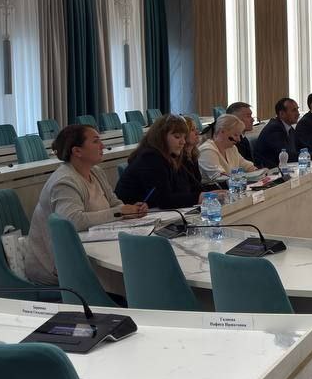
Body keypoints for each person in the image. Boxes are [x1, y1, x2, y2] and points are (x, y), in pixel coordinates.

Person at [27, 125, 147, 286]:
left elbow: (114, 203)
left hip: (90, 247)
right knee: (137, 277)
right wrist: (119, 212)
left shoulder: (96, 171)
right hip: (57, 267)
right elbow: (73, 220)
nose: (102, 146)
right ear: (77, 151)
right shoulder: (64, 181)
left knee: (136, 270)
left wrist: (131, 210)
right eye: (96, 141)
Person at [115, 115, 203, 209]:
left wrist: (207, 193)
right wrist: (199, 197)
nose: (183, 142)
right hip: (131, 214)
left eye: (184, 137)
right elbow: (165, 200)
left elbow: (186, 188)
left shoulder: (172, 156)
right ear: (162, 137)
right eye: (177, 137)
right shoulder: (150, 158)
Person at [198, 114, 258, 183]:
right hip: (216, 188)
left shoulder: (231, 148)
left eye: (239, 135)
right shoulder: (207, 150)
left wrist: (258, 172)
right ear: (222, 132)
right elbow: (219, 177)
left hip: (232, 187)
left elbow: (246, 165)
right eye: (235, 135)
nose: (239, 140)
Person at [253, 97, 301, 169]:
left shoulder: (289, 128)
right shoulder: (274, 129)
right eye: (294, 110)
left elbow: (298, 148)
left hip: (283, 168)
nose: (298, 113)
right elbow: (286, 156)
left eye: (297, 109)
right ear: (282, 114)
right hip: (269, 170)